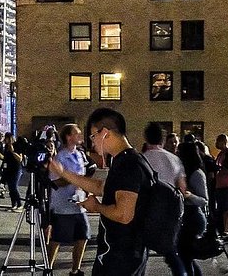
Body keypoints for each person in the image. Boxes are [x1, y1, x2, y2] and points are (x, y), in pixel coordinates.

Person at [49, 107, 149, 276]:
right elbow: (100, 187)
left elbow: (124, 215)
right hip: (120, 254)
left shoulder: (128, 165)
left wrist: (96, 207)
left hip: (121, 258)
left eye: (93, 136)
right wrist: (63, 172)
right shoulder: (124, 161)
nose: (92, 142)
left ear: (104, 133)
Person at [142, 122, 186, 276]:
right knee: (171, 251)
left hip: (148, 208)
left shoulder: (143, 159)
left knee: (142, 248)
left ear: (146, 139)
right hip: (171, 209)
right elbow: (183, 188)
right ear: (162, 140)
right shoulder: (173, 159)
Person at [47, 124, 91, 276]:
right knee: (57, 238)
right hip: (63, 205)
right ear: (68, 137)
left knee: (83, 236)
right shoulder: (60, 157)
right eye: (76, 133)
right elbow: (55, 181)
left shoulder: (79, 154)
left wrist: (84, 187)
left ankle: (75, 269)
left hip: (79, 204)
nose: (80, 135)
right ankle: (48, 267)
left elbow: (83, 176)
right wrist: (73, 179)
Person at [177, 138, 208, 276]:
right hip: (185, 218)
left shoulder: (196, 174)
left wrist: (189, 196)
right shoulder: (183, 172)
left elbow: (204, 200)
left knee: (186, 256)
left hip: (194, 218)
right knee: (185, 257)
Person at [1, 133, 24, 210]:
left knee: (14, 186)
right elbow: (5, 159)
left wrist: (13, 151)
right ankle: (13, 204)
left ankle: (19, 203)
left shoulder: (17, 145)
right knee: (10, 187)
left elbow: (20, 159)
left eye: (6, 138)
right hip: (8, 169)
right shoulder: (6, 147)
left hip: (16, 168)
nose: (5, 140)